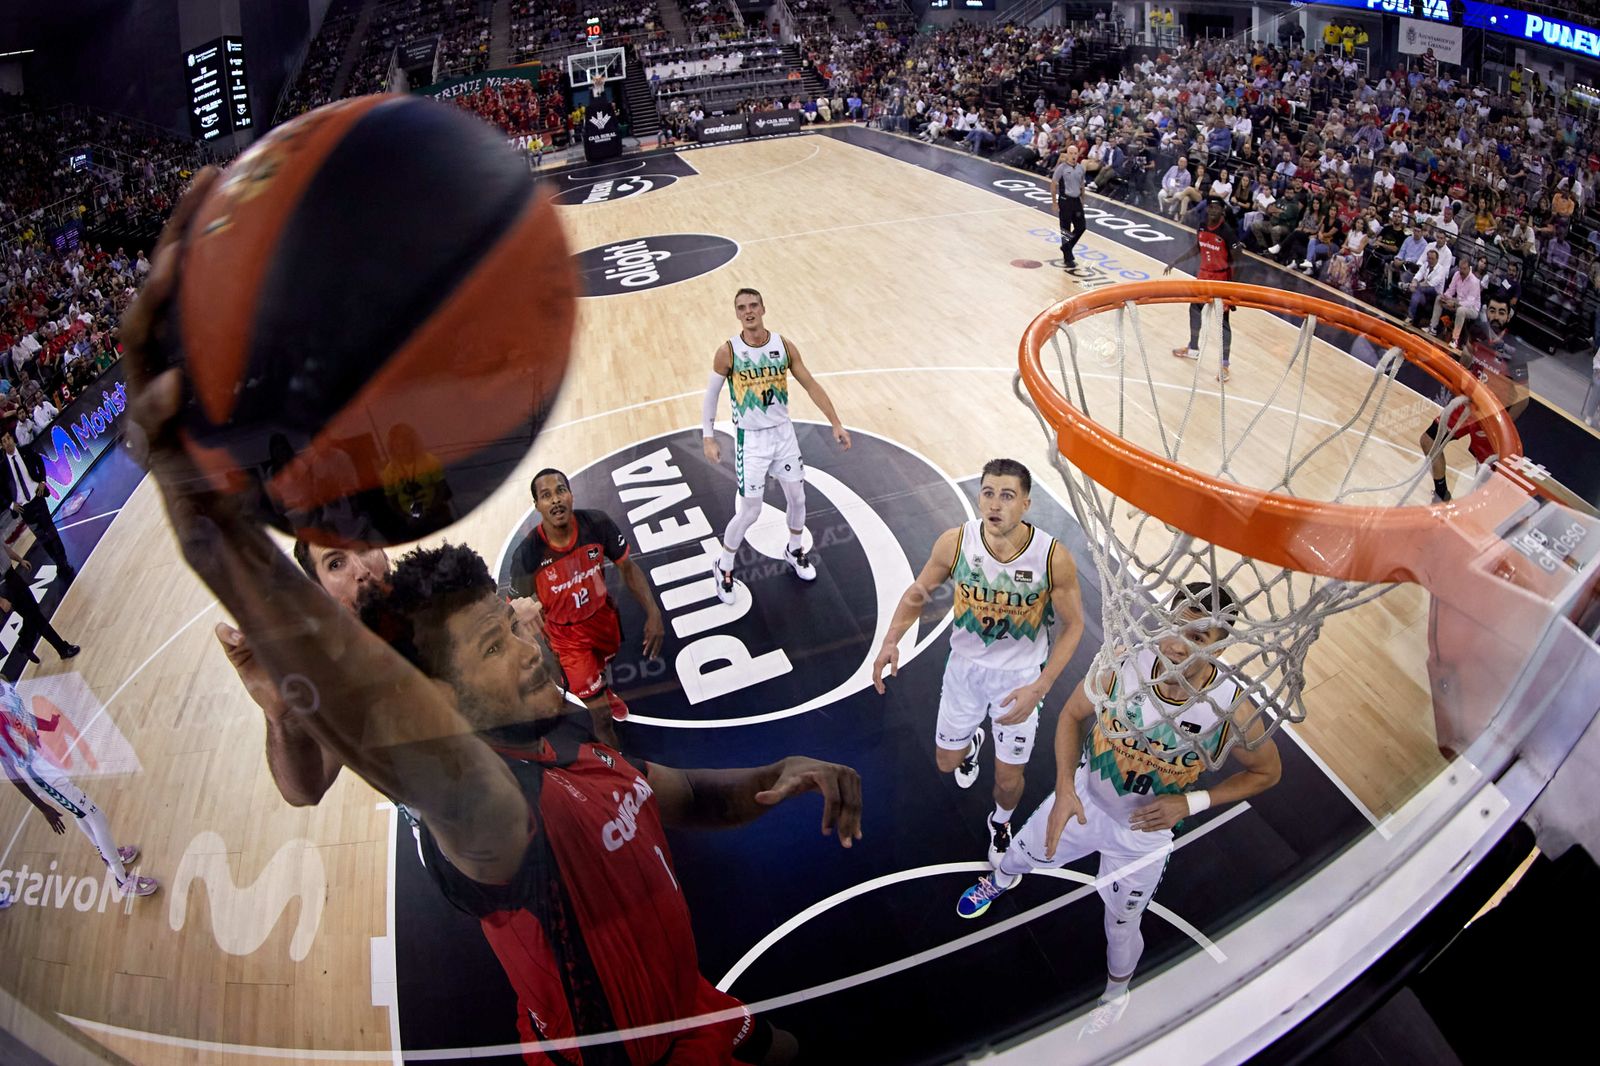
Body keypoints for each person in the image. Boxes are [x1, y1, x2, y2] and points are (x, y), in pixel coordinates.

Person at [120, 171, 863, 1064]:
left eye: (512, 622)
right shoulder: (490, 806)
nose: (529, 631)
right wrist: (216, 533)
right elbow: (373, 744)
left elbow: (677, 795)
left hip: (688, 1007)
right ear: (447, 695)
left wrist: (781, 772)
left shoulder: (572, 732)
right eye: (497, 640)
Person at [954, 584, 1280, 1037]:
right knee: (1017, 855)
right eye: (1177, 626)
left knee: (1122, 924)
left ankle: (1116, 992)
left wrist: (1191, 801)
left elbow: (1267, 773)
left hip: (1143, 834)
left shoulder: (1231, 707)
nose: (1178, 644)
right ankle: (1001, 880)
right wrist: (1065, 787)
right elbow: (1070, 716)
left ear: (1222, 646)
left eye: (1200, 638)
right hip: (1084, 801)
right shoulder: (1124, 662)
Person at [872, 459, 1084, 864]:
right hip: (964, 669)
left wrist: (1039, 688)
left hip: (1019, 679)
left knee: (1008, 781)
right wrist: (891, 639)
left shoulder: (1051, 557)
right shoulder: (956, 542)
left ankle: (1001, 822)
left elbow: (1074, 627)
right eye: (988, 493)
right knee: (945, 762)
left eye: (1007, 496)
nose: (995, 504)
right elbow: (918, 592)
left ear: (1026, 503)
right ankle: (970, 745)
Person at [217, 538, 393, 808]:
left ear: (381, 550)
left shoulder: (453, 595)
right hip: (445, 835)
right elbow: (304, 792)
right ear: (320, 589)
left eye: (363, 547)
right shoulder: (336, 680)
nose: (360, 570)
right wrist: (284, 717)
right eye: (336, 563)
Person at [702, 288, 850, 604]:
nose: (749, 311)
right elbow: (711, 395)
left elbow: (810, 384)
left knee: (797, 497)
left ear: (764, 308)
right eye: (742, 307)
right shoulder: (728, 352)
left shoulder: (782, 346)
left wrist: (835, 422)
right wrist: (708, 435)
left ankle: (795, 550)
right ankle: (724, 565)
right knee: (751, 511)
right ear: (737, 313)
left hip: (783, 435)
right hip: (751, 440)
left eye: (754, 305)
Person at [509, 468, 666, 748]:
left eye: (560, 490)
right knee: (602, 718)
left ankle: (599, 687)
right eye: (546, 496)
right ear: (537, 506)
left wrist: (654, 613)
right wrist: (525, 616)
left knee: (603, 666)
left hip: (602, 619)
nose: (555, 500)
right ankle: (622, 773)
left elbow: (628, 568)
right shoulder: (528, 553)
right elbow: (515, 606)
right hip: (568, 639)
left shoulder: (597, 523)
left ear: (571, 494)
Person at [0, 677, 159, 896]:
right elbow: (10, 769)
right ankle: (123, 881)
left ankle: (108, 852)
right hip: (39, 774)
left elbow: (23, 715)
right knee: (97, 815)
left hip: (45, 757)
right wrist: (43, 807)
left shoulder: (4, 685)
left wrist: (49, 724)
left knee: (82, 812)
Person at [1420, 295, 1528, 501]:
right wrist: (1464, 362)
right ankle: (1442, 494)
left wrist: (1502, 424)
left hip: (1489, 417)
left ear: (1508, 316)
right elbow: (1468, 356)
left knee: (1485, 475)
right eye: (1493, 311)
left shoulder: (1515, 351)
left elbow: (1523, 399)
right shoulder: (1478, 332)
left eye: (1501, 312)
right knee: (1428, 441)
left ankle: (1482, 516)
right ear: (1487, 312)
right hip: (1468, 406)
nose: (1496, 316)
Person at [1165, 199, 1239, 382]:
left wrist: (1233, 287)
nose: (1212, 210)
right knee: (1194, 309)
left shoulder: (1228, 233)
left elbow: (1239, 260)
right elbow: (1197, 248)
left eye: (1217, 208)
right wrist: (1176, 261)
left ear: (1223, 211)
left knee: (1223, 322)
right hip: (1204, 275)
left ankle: (1224, 364)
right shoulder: (1202, 226)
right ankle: (1193, 348)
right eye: (1210, 207)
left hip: (1222, 279)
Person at [0, 431, 73, 579]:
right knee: (42, 538)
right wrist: (10, 505)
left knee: (51, 532)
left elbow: (40, 462)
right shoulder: (2, 467)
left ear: (12, 439)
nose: (7, 442)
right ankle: (58, 563)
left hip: (37, 498)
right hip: (24, 507)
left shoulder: (25, 451)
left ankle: (63, 562)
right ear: (1, 445)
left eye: (8, 438)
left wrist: (42, 481)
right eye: (4, 441)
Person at [1, 543, 80, 681]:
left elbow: (5, 548)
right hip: (3, 587)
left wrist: (20, 559)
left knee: (33, 614)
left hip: (12, 576)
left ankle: (25, 643)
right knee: (36, 616)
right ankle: (62, 648)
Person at [1052, 145, 1088, 269]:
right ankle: (1068, 258)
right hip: (1065, 201)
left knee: (1081, 227)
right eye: (1071, 153)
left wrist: (1083, 200)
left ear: (1078, 154)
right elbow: (1053, 183)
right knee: (1065, 230)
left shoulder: (1081, 168)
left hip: (1076, 201)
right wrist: (1054, 202)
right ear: (1067, 154)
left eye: (1075, 153)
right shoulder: (1061, 168)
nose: (1073, 155)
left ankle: (1066, 247)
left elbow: (1082, 185)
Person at [1432, 257, 1481, 347]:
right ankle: (1433, 328)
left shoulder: (1475, 282)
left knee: (1461, 310)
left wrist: (1454, 304)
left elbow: (1470, 302)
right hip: (1458, 302)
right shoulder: (1457, 274)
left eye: (1464, 269)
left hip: (1472, 309)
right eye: (1460, 268)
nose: (1461, 271)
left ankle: (1455, 339)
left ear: (1469, 268)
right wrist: (1445, 297)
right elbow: (1451, 290)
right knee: (1439, 298)